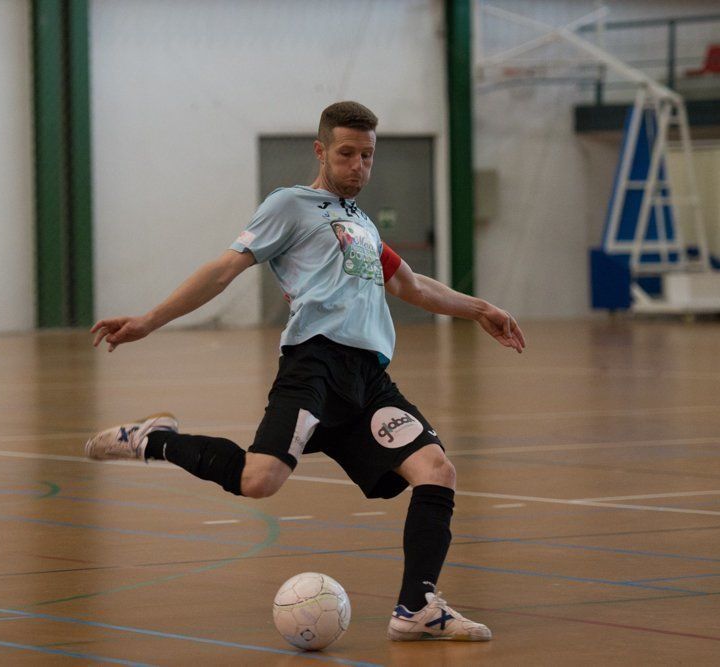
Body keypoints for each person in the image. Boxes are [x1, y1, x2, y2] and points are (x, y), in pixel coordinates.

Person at [85, 102, 525, 642]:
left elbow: (412, 286)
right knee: (259, 480)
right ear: (320, 151)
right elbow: (224, 269)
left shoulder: (362, 225)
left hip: (369, 380)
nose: (358, 166)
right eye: (346, 154)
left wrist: (482, 309)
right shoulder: (290, 205)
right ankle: (155, 441)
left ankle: (417, 607)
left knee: (436, 470)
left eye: (367, 156)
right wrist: (150, 320)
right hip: (314, 364)